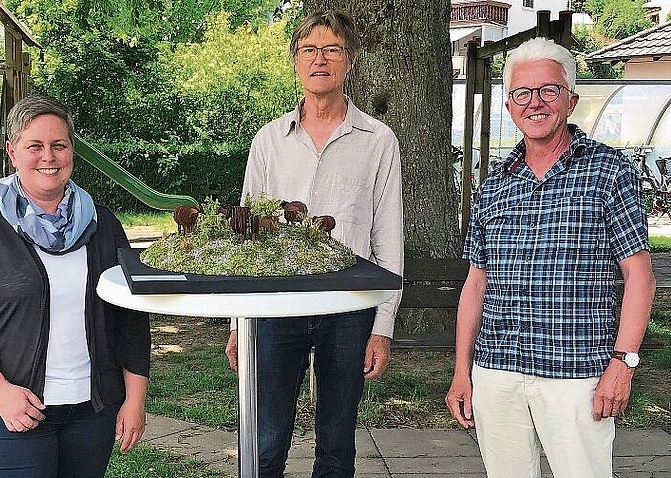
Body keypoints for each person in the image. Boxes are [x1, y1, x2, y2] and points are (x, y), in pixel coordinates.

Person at [445, 37, 656, 477]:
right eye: (522, 93)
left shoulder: (609, 172)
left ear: (571, 99)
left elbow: (640, 277)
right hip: (497, 369)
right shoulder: (493, 186)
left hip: (578, 374)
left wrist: (623, 364)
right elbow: (476, 284)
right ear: (509, 104)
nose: (534, 103)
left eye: (549, 90)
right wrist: (462, 371)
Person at [0, 95, 151, 477]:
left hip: (91, 414)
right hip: (10, 415)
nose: (48, 156)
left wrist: (135, 399)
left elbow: (129, 316)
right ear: (13, 152)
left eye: (58, 145)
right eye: (35, 146)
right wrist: (0, 392)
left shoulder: (103, 225)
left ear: (71, 152)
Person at [224, 10, 403, 477]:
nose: (319, 59)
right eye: (308, 50)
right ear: (295, 61)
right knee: (264, 442)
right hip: (274, 305)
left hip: (349, 307)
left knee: (337, 443)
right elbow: (245, 236)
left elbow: (388, 236)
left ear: (351, 61)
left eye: (332, 49)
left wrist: (382, 325)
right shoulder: (269, 141)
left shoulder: (378, 140)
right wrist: (236, 324)